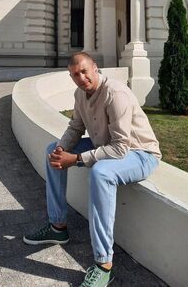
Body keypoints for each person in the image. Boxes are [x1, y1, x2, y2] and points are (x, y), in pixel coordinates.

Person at [23, 52, 161, 287]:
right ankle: (57, 226)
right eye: (75, 74)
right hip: (106, 146)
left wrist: (76, 159)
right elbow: (76, 127)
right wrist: (61, 150)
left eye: (84, 71)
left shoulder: (115, 94)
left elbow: (120, 148)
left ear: (95, 68)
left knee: (101, 173)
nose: (81, 78)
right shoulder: (80, 94)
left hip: (140, 153)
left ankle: (104, 264)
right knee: (52, 150)